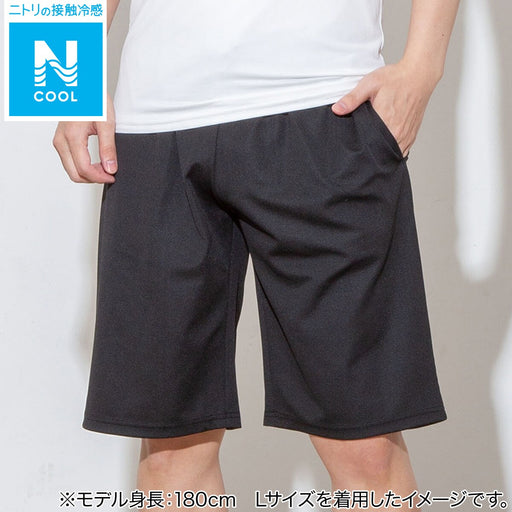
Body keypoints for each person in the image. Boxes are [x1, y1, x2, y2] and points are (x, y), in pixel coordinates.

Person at [53, 0, 459, 510]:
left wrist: (423, 67)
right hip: (152, 129)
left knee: (365, 449)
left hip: (325, 109)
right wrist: (57, 89)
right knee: (169, 454)